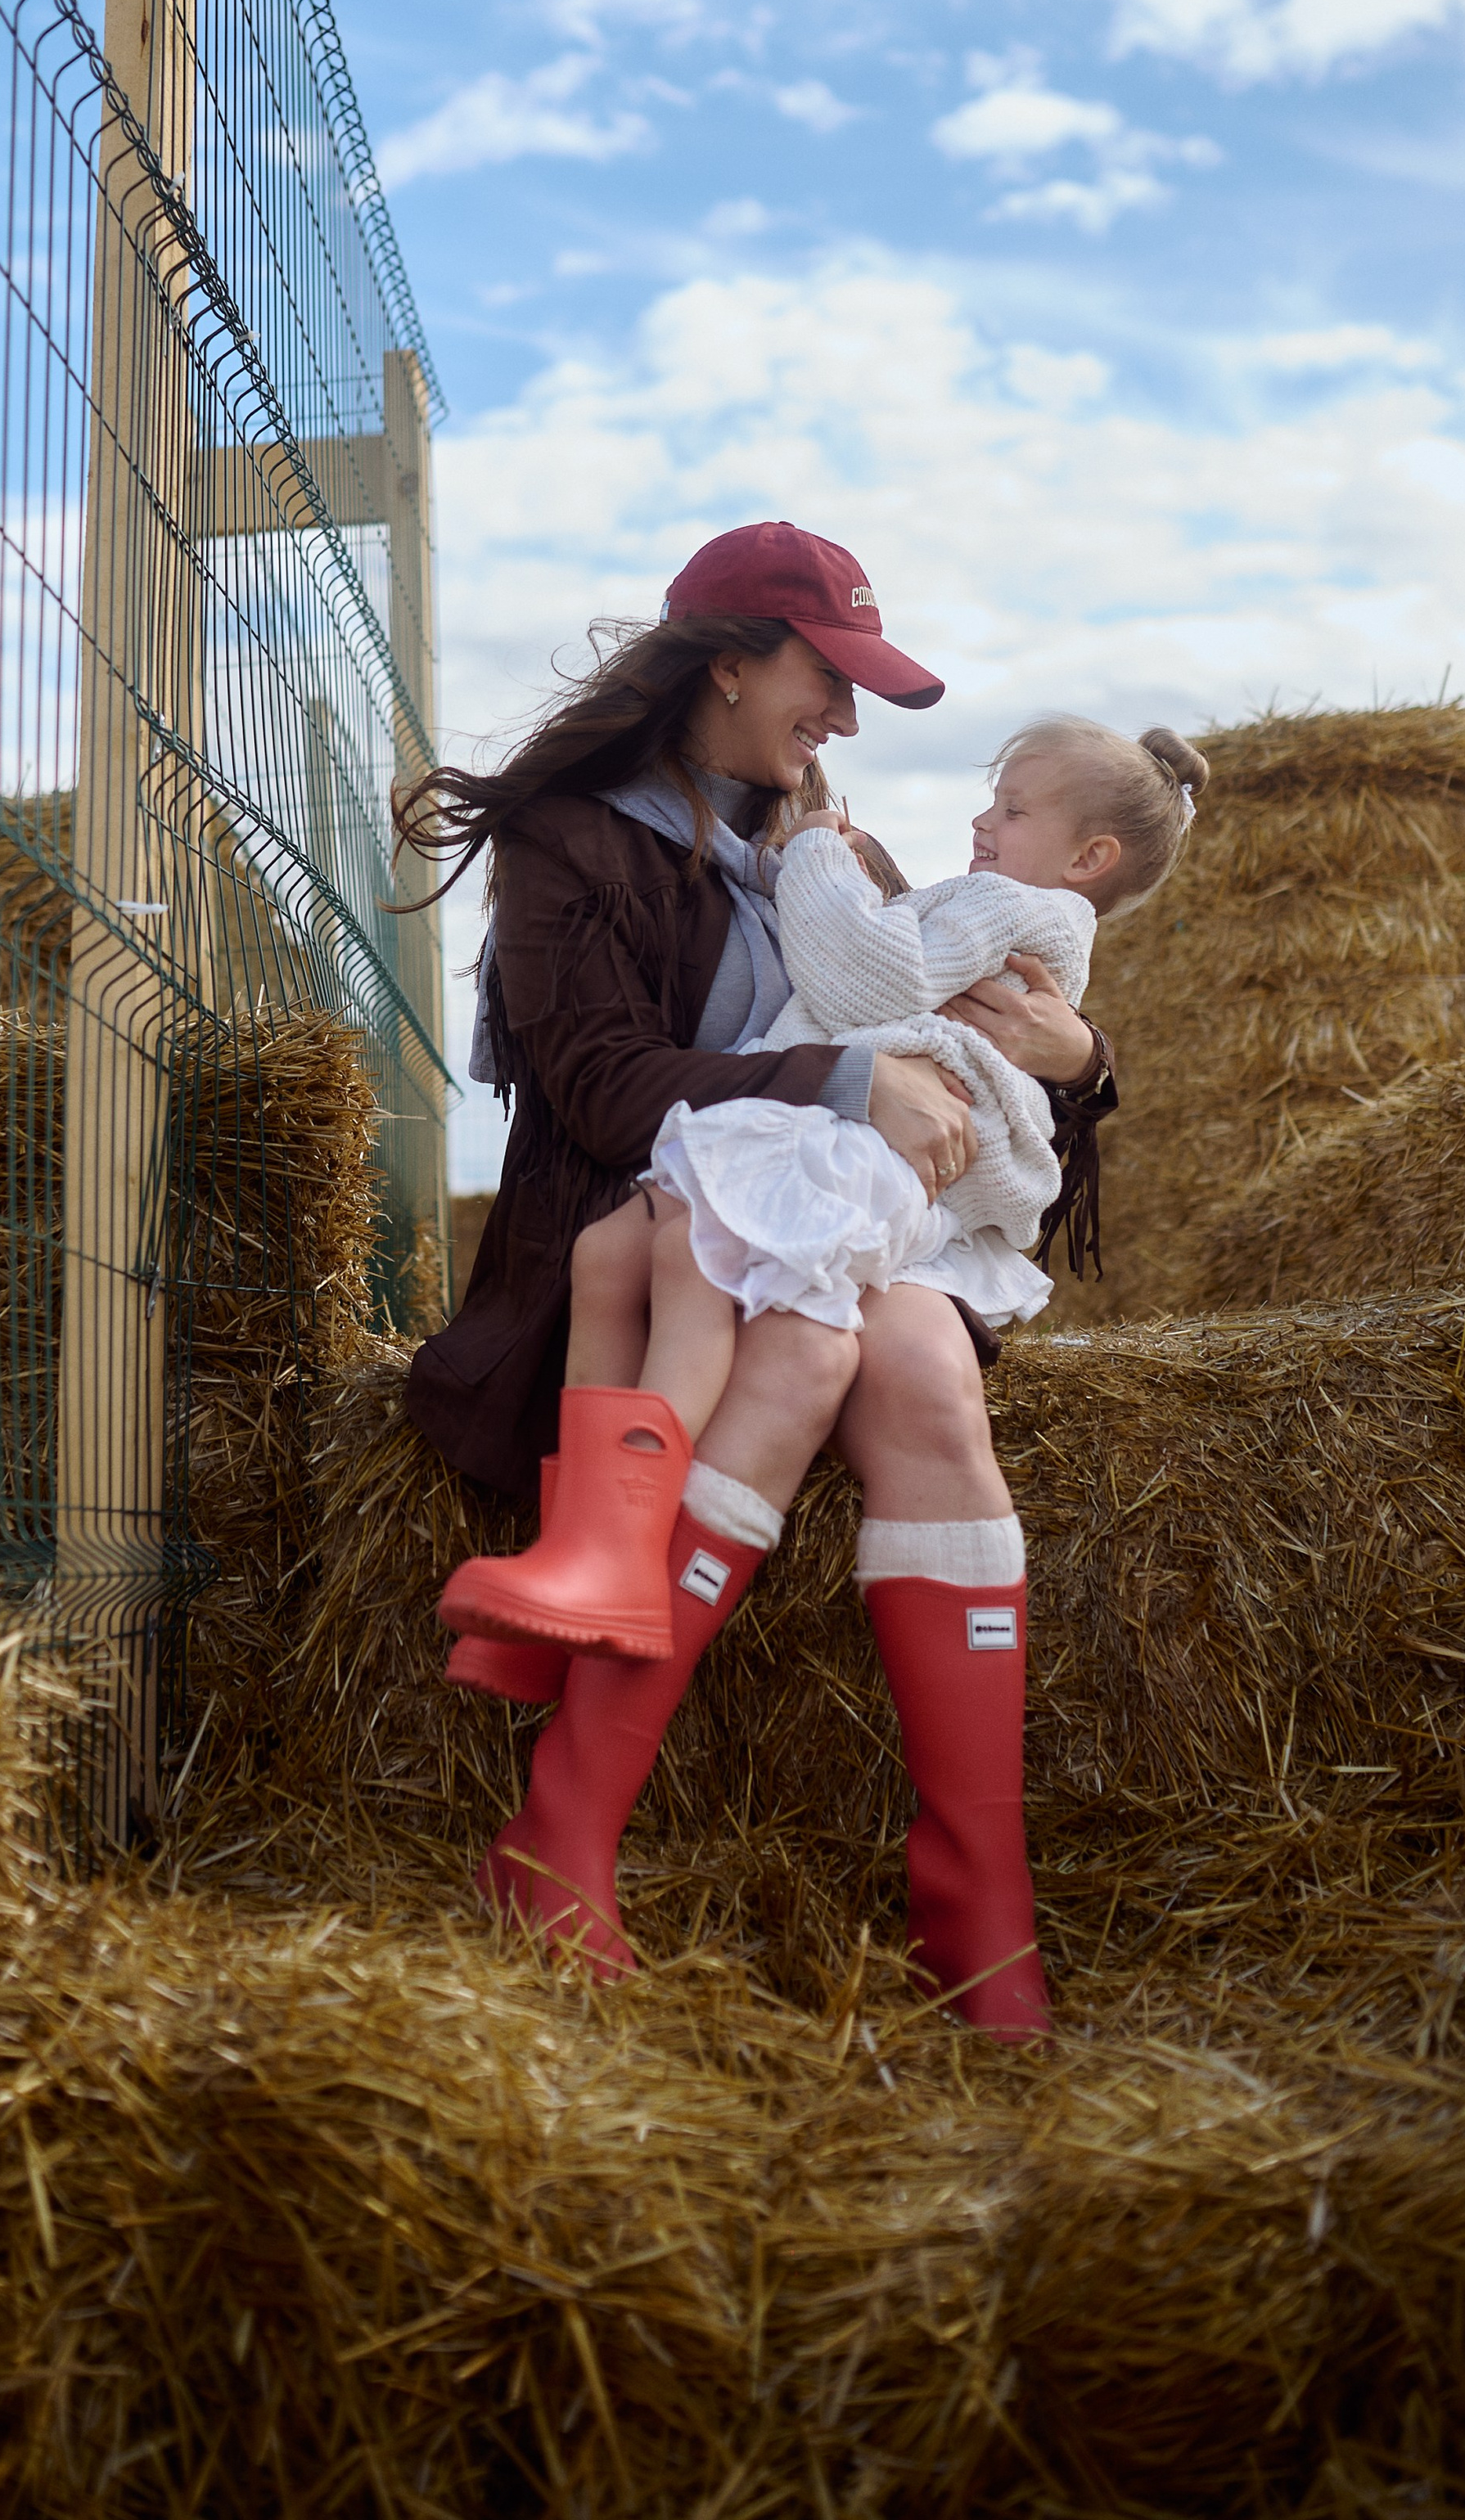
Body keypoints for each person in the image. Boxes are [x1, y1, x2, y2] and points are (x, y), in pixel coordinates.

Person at [395, 526, 1120, 2036]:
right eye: (826, 679)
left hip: (835, 1228)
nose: (845, 719)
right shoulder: (570, 842)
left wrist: (1084, 1060)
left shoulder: (828, 845)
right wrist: (847, 1080)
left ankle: (977, 1908)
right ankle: (563, 1833)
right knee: (810, 1357)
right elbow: (604, 1091)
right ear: (727, 662)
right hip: (653, 1237)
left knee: (925, 1370)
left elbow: (966, 1048)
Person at [443, 717, 1209, 1674]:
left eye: (1012, 809)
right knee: (606, 1254)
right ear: (728, 672)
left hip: (854, 1151)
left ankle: (614, 1564)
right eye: (995, 801)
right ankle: (582, 1563)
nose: (982, 819)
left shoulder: (1003, 901)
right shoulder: (595, 838)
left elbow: (870, 975)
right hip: (805, 1128)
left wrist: (816, 858)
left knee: (731, 1287)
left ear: (1089, 855)